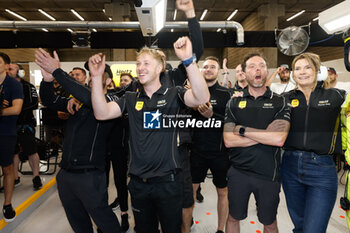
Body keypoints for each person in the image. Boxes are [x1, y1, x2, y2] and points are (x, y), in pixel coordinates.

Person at [89, 36, 209, 233]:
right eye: (138, 63)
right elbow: (101, 113)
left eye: (146, 63)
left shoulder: (174, 94)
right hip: (138, 184)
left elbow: (202, 97)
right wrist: (95, 78)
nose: (140, 68)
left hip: (168, 183)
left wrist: (189, 61)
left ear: (159, 67)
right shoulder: (129, 98)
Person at [35, 49, 121, 233]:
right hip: (66, 174)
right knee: (78, 223)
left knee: (106, 223)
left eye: (98, 74)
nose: (93, 77)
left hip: (89, 175)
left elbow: (91, 99)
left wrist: (58, 72)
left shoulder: (113, 100)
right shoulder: (79, 99)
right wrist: (48, 80)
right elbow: (50, 100)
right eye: (91, 74)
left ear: (108, 81)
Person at [223, 53, 291, 233]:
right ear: (244, 73)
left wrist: (243, 130)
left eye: (261, 65)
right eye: (252, 66)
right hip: (239, 173)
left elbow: (279, 139)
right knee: (232, 217)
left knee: (269, 223)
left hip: (269, 175)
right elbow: (229, 140)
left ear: (267, 70)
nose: (257, 69)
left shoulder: (280, 101)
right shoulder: (234, 101)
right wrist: (265, 135)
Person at [281, 52, 345, 233]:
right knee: (300, 227)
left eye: (308, 67)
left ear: (319, 71)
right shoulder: (284, 100)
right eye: (297, 68)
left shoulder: (336, 96)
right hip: (290, 167)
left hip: (322, 170)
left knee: (313, 229)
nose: (302, 72)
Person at [190, 56, 232, 233]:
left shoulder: (226, 94)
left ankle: (220, 229)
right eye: (205, 66)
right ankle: (187, 224)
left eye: (212, 67)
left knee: (222, 192)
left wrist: (212, 115)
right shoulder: (191, 92)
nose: (208, 69)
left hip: (220, 152)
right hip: (195, 151)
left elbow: (232, 123)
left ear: (218, 71)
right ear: (201, 70)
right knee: (191, 190)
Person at [7, 63, 42, 190]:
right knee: (13, 152)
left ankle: (36, 176)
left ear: (20, 72)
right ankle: (15, 178)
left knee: (31, 151)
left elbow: (33, 104)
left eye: (11, 69)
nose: (8, 70)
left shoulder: (28, 86)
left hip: (25, 124)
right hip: (9, 125)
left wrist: (15, 110)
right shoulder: (4, 86)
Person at [0, 52, 23, 222]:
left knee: (7, 169)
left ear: (6, 66)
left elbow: (16, 109)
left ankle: (7, 204)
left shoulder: (13, 85)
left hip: (5, 133)